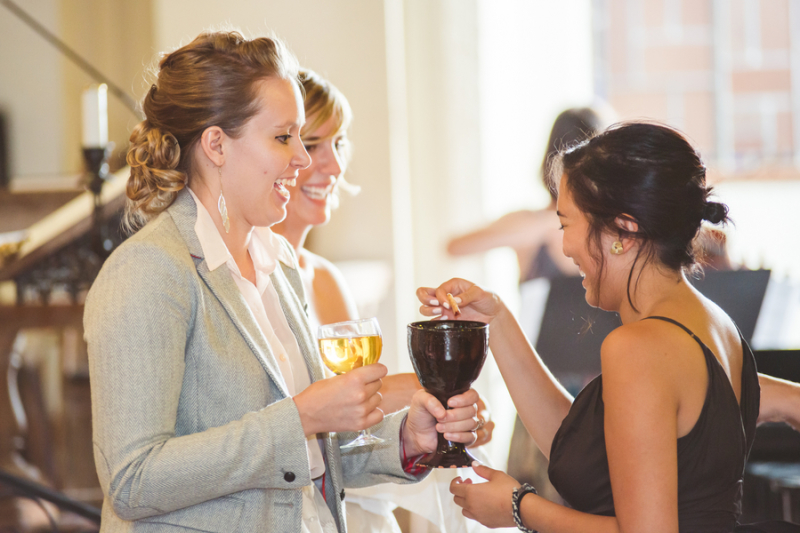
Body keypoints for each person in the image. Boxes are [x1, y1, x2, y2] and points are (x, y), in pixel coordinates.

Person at [84, 31, 480, 533]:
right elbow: (132, 479)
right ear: (216, 145)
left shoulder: (279, 262)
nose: (304, 159)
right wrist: (300, 417)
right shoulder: (148, 272)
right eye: (283, 137)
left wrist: (407, 439)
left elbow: (311, 459)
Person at [417, 122, 800, 532]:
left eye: (566, 224)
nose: (564, 247)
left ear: (623, 230)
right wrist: (497, 319)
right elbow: (582, 451)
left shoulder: (639, 347)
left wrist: (518, 507)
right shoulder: (715, 324)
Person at [272, 69, 495, 533]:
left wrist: (446, 409)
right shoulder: (253, 278)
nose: (332, 165)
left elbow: (357, 421)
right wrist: (427, 390)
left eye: (340, 143)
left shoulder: (326, 279)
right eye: (313, 145)